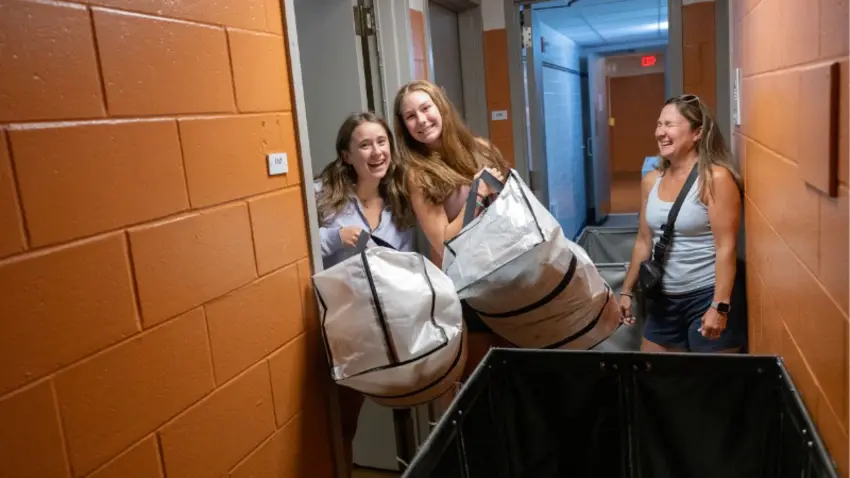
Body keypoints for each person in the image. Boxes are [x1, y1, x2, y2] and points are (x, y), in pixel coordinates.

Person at [314, 112, 415, 475]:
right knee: (343, 419)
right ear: (346, 156)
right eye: (365, 144)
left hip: (391, 323)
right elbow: (288, 242)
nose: (376, 151)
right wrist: (332, 238)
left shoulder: (402, 198)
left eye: (382, 141)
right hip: (343, 327)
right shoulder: (324, 198)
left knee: (408, 398)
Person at [392, 79, 510, 378]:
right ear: (404, 126)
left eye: (425, 108)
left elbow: (514, 208)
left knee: (520, 377)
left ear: (440, 106)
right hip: (468, 289)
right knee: (481, 384)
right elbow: (442, 242)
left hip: (510, 276)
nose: (421, 120)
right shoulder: (418, 174)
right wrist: (476, 195)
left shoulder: (482, 149)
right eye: (410, 116)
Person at [618, 94, 744, 353]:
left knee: (707, 387)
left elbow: (726, 248)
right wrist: (626, 291)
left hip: (705, 296)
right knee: (654, 379)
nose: (660, 132)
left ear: (697, 133)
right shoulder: (652, 181)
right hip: (663, 300)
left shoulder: (715, 179)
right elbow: (644, 240)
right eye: (659, 124)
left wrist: (719, 307)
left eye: (670, 125)